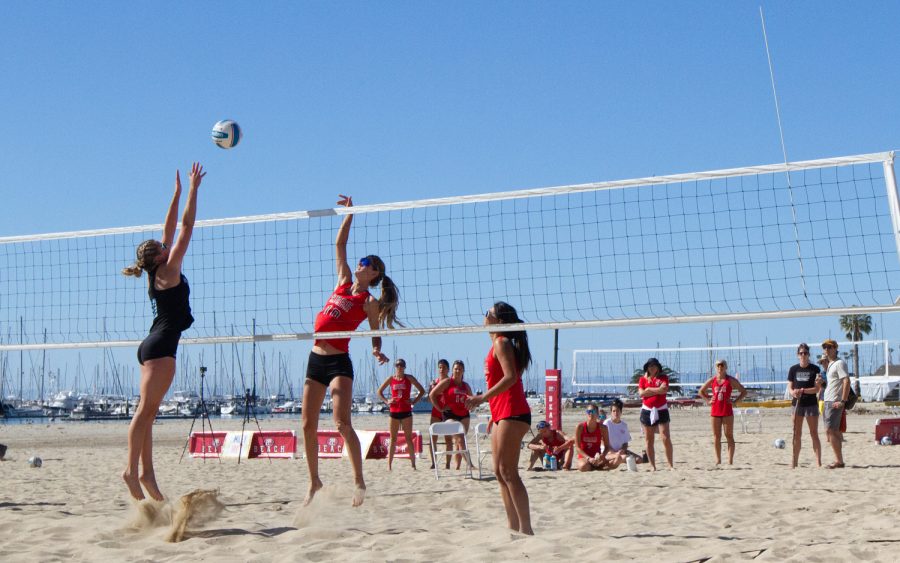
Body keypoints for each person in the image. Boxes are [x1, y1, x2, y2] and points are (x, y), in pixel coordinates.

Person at [301, 195, 400, 507]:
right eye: (362, 261)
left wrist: (376, 351)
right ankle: (314, 481)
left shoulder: (368, 302)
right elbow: (339, 246)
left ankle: (359, 480)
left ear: (374, 274)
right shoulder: (343, 282)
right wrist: (350, 214)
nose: (360, 263)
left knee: (342, 423)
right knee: (307, 425)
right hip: (315, 359)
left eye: (366, 264)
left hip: (339, 364)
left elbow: (375, 332)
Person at [121, 163, 205, 501]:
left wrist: (176, 193)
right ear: (158, 256)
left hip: (152, 345)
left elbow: (170, 227)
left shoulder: (159, 267)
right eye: (160, 244)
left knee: (149, 411)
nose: (164, 242)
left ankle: (147, 475)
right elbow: (185, 226)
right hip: (160, 348)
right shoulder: (169, 269)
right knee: (145, 412)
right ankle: (130, 471)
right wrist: (195, 189)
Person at [465, 301, 533, 535]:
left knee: (508, 471)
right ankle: (513, 527)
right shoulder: (498, 343)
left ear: (500, 321)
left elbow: (511, 377)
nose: (484, 316)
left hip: (513, 411)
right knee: (498, 471)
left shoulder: (502, 342)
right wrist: (493, 414)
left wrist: (482, 398)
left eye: (488, 313)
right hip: (502, 412)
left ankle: (526, 529)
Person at [377, 358, 425, 471]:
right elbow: (379, 391)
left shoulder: (409, 378)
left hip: (406, 412)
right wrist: (386, 401)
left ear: (404, 367)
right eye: (398, 365)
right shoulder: (391, 379)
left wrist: (413, 401)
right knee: (393, 439)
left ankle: (413, 465)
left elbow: (422, 390)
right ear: (395, 367)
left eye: (402, 365)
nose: (400, 367)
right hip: (394, 411)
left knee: (408, 439)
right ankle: (389, 465)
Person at [698, 359, 747, 465]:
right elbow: (701, 391)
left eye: (722, 366)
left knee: (729, 435)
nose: (720, 368)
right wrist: (708, 400)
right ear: (716, 368)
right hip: (715, 411)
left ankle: (730, 461)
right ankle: (718, 460)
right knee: (716, 437)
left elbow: (743, 391)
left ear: (726, 367)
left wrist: (735, 401)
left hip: (727, 411)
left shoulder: (731, 380)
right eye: (718, 366)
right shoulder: (712, 380)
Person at [429, 360, 474, 470]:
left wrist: (471, 405)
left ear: (463, 371)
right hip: (450, 415)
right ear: (452, 370)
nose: (457, 371)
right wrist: (440, 408)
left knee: (461, 441)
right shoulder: (447, 382)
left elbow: (472, 400)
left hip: (464, 415)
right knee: (459, 439)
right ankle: (470, 465)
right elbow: (432, 395)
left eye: (460, 369)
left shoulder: (465, 385)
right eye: (455, 369)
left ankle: (458, 467)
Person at [787, 343, 823, 468]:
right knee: (796, 433)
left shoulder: (815, 369)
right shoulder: (793, 369)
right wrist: (794, 393)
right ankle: (794, 461)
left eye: (805, 353)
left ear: (808, 354)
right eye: (801, 353)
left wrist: (803, 390)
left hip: (811, 404)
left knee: (814, 433)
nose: (803, 355)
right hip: (797, 404)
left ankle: (818, 462)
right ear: (798, 355)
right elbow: (790, 387)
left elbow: (817, 389)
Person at [638, 357, 674, 470]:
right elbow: (641, 394)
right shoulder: (642, 379)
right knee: (649, 439)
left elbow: (664, 390)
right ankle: (653, 466)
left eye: (654, 365)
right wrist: (654, 390)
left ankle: (670, 465)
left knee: (665, 437)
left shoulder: (663, 377)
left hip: (661, 408)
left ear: (658, 367)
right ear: (647, 368)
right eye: (650, 366)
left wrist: (649, 389)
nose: (652, 367)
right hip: (647, 410)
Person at [822, 339, 851, 469]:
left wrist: (843, 401)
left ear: (835, 348)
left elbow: (846, 381)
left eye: (829, 347)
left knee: (831, 431)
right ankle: (839, 460)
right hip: (828, 400)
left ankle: (839, 461)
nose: (827, 350)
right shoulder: (830, 364)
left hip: (835, 401)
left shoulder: (839, 363)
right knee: (834, 432)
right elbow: (834, 384)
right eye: (825, 347)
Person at [574, 404, 617, 471]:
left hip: (597, 457)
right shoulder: (580, 427)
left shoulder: (603, 428)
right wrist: (588, 458)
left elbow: (607, 446)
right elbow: (577, 448)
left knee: (615, 461)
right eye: (588, 412)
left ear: (597, 414)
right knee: (583, 466)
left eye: (593, 411)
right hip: (584, 457)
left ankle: (596, 466)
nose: (590, 413)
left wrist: (602, 455)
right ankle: (594, 466)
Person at [604, 398, 644, 464]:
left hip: (621, 451)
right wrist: (613, 452)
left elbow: (625, 442)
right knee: (624, 457)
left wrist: (623, 450)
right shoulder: (606, 423)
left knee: (639, 459)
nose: (616, 413)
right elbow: (602, 441)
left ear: (621, 412)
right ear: (611, 412)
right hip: (609, 451)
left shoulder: (624, 425)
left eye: (617, 411)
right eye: (614, 411)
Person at [428, 359, 451, 469]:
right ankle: (434, 463)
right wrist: (431, 389)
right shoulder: (434, 382)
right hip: (436, 411)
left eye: (444, 367)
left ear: (448, 369)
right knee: (433, 438)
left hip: (447, 412)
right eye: (440, 367)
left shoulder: (450, 382)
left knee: (448, 439)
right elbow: (429, 399)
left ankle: (447, 464)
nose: (441, 369)